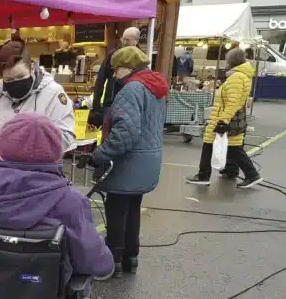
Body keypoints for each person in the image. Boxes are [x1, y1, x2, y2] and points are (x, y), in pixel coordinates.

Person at [0, 113, 114, 285]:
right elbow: (92, 261)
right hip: (39, 292)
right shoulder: (70, 201)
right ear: (56, 154)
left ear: (0, 150)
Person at [91, 46, 168, 278]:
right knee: (133, 209)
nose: (114, 75)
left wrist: (99, 155)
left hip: (129, 162)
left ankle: (111, 261)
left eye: (116, 69)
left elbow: (125, 134)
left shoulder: (131, 90)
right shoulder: (154, 87)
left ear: (129, 67)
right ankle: (130, 258)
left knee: (116, 211)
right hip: (149, 159)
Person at [0, 39, 75, 165]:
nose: (15, 82)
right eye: (9, 79)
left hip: (34, 177)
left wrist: (23, 149)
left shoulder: (53, 94)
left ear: (32, 67)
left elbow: (66, 137)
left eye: (21, 77)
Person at [185, 48, 262, 189]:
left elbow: (232, 101)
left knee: (210, 144)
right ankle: (241, 173)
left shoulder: (237, 77)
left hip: (224, 117)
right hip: (231, 117)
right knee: (233, 148)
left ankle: (203, 175)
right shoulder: (241, 76)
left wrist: (223, 120)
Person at [89, 27, 141, 128]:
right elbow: (101, 79)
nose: (125, 42)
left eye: (128, 40)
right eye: (123, 39)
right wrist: (96, 106)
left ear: (136, 40)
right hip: (110, 102)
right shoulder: (113, 55)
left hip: (130, 104)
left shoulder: (140, 58)